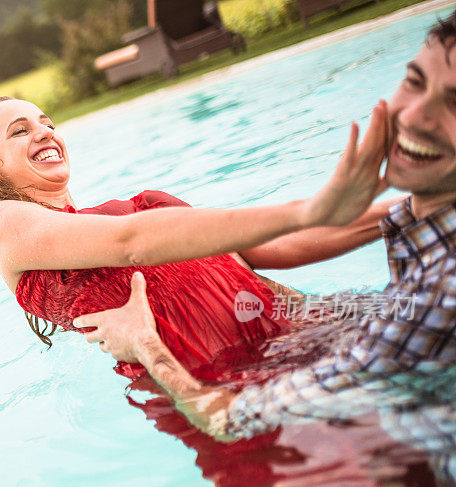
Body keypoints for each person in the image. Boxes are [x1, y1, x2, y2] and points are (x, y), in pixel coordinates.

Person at [73, 11, 456, 439]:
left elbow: (229, 420)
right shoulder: (423, 227)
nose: (415, 116)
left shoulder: (440, 294)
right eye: (415, 82)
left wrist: (144, 344)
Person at [0, 90, 398, 385]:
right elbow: (127, 243)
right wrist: (310, 208)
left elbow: (266, 252)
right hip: (222, 384)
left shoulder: (150, 205)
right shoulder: (4, 224)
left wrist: (406, 214)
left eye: (46, 121)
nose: (44, 132)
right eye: (19, 131)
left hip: (308, 331)